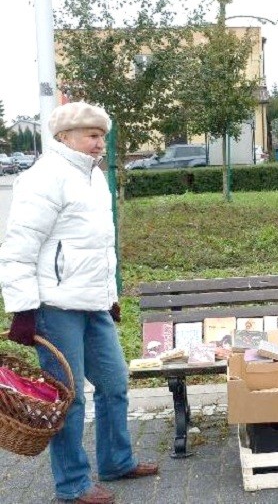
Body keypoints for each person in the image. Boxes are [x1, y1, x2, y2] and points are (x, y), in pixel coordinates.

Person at [0, 102, 158, 504]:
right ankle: (72, 485)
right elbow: (19, 248)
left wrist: (110, 298)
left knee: (114, 383)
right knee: (70, 397)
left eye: (102, 135)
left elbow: (99, 248)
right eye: (91, 136)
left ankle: (116, 461)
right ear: (64, 138)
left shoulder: (94, 177)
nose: (99, 143)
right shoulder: (44, 179)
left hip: (93, 304)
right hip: (55, 307)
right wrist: (23, 308)